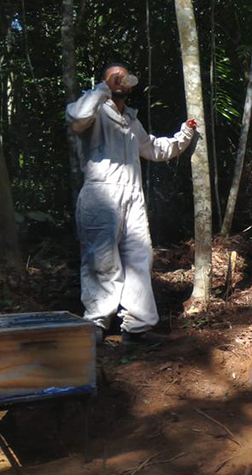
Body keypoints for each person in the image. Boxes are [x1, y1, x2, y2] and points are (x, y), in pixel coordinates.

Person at [66, 62, 197, 343]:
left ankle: (136, 327)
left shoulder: (130, 120)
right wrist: (103, 88)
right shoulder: (96, 109)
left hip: (132, 195)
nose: (122, 81)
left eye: (124, 77)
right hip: (101, 194)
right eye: (115, 76)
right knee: (101, 260)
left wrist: (184, 134)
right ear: (104, 81)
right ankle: (96, 328)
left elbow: (153, 148)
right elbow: (75, 117)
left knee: (140, 257)